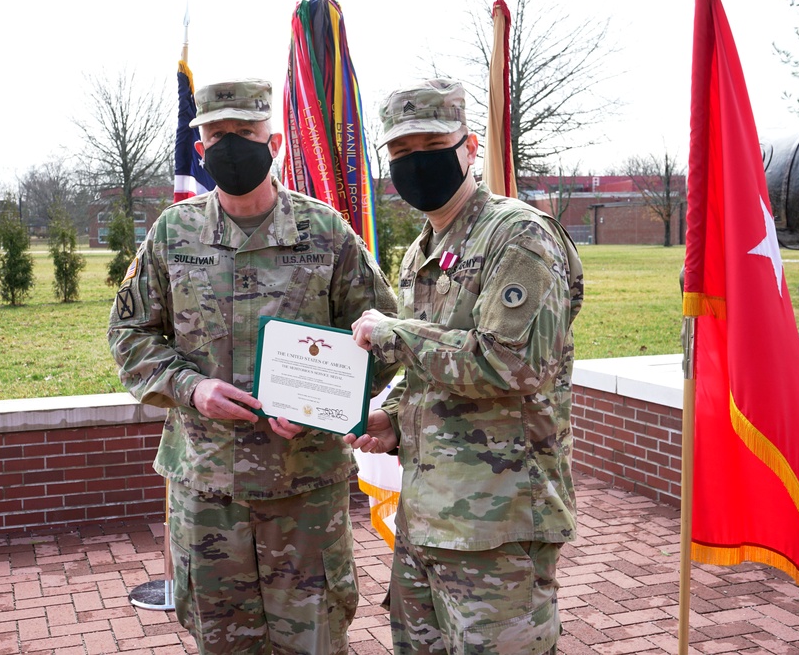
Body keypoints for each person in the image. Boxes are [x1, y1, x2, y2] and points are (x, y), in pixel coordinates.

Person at [108, 78, 398, 655]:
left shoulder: (325, 233)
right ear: (200, 149)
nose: (232, 146)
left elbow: (384, 338)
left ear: (277, 141)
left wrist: (324, 409)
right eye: (218, 135)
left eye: (245, 133)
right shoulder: (173, 233)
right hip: (209, 489)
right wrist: (191, 389)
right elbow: (129, 334)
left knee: (315, 640)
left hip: (305, 491)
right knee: (222, 642)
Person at [347, 78, 584, 655]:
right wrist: (395, 416)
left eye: (431, 144)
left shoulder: (519, 235)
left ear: (470, 145)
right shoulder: (421, 248)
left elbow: (512, 365)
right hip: (427, 515)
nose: (415, 162)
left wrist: (394, 334)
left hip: (497, 524)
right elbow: (435, 369)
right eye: (400, 152)